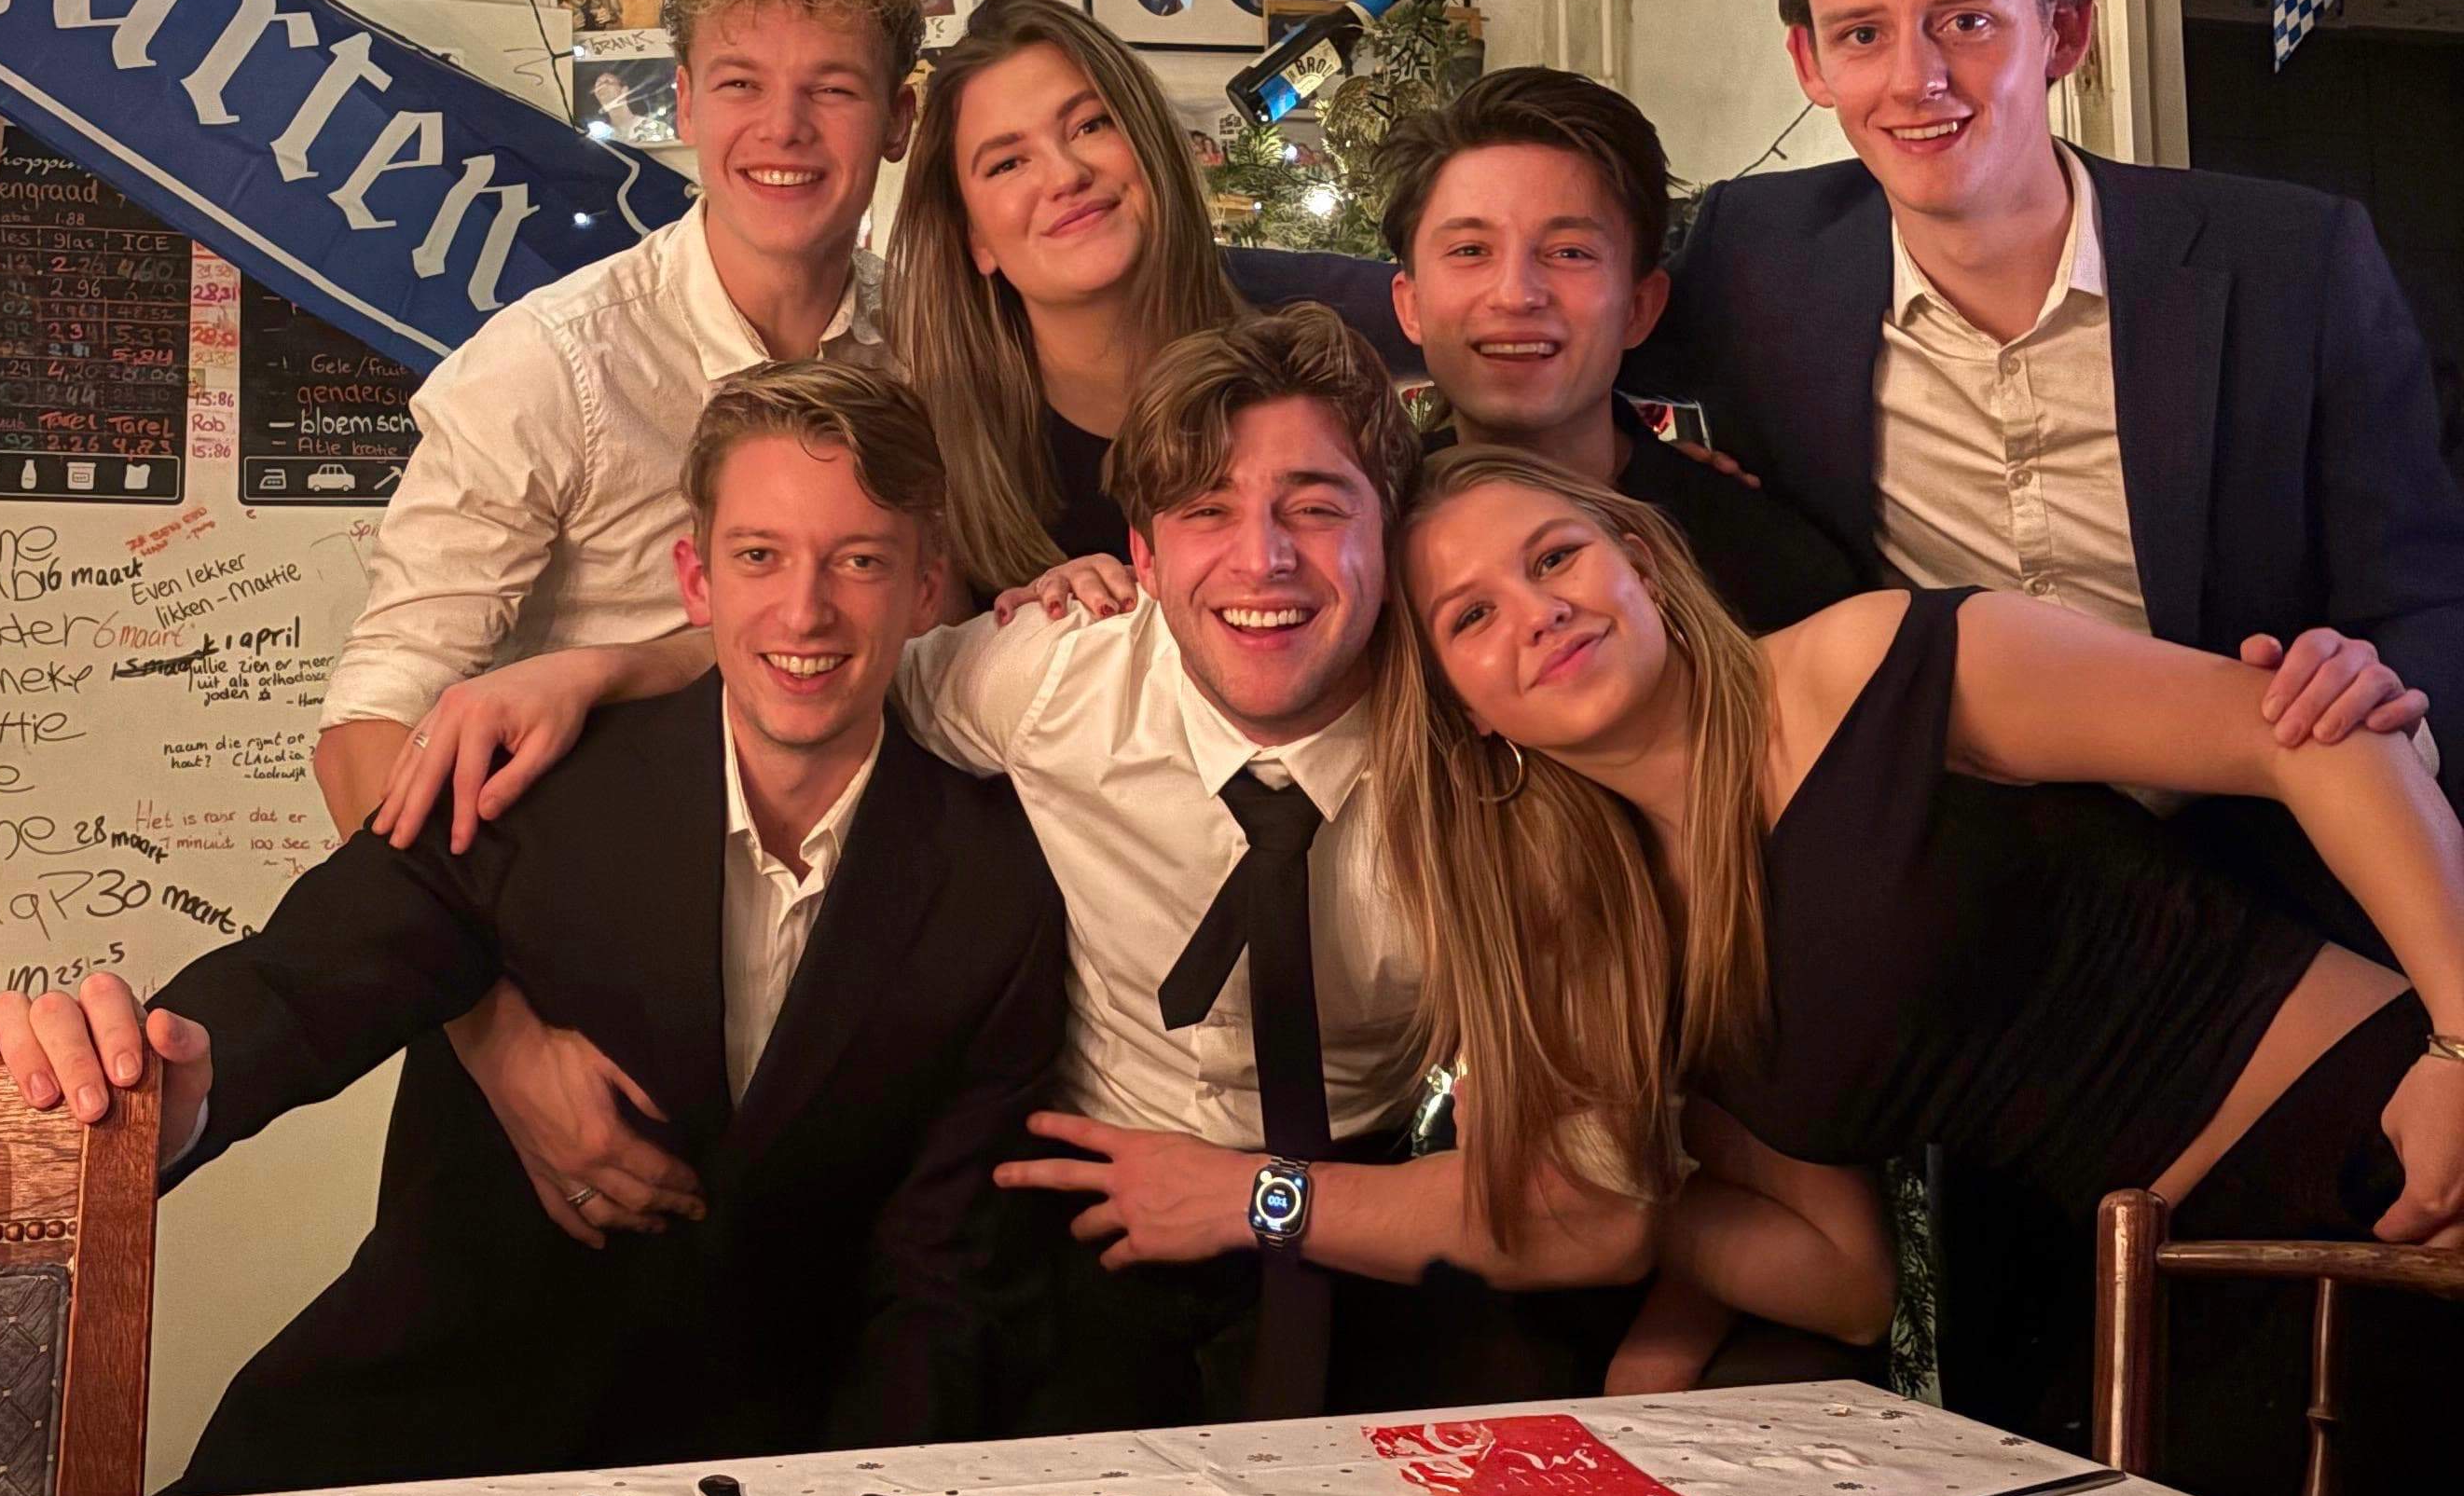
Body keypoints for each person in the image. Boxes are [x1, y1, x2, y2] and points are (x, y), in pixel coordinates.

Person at [381, 309, 1849, 1430]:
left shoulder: (1500, 768)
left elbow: (1595, 1207)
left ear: (1389, 534)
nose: (1262, 561)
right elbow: (823, 652)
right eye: (1206, 514)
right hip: (1077, 1198)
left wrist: (1259, 1197)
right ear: (1140, 555)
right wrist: (597, 668)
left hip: (1375, 1208)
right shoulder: (1051, 681)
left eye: (1315, 506)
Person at [0, 367, 1063, 1485]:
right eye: (760, 557)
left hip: (770, 1489)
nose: (805, 610)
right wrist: (171, 1086)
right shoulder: (525, 790)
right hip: (416, 1450)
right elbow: (303, 981)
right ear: (697, 579)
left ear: (928, 588)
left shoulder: (997, 882)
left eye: (859, 561)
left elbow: (944, 1283)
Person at [1383, 448, 2464, 1496]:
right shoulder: (1640, 944)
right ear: (1461, 707)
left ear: (1643, 564)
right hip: (2165, 1303)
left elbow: (2316, 736)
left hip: (2380, 1149)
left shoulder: (1867, 667)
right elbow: (1845, 1279)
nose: (1539, 613)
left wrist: (2461, 1046)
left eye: (1555, 557)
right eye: (1472, 617)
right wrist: (1627, 1202)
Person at [322, 0, 925, 1242]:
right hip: (561, 1012)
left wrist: (617, 666)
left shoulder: (938, 352)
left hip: (847, 1021)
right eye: (742, 85)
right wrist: (502, 1049)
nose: (784, 130)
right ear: (684, 104)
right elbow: (367, 732)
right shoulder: (549, 366)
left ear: (897, 119)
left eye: (833, 90)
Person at [1653, 0, 2464, 771]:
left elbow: (2426, 597)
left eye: (1967, 22)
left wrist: (2382, 689)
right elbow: (1559, 366)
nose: (1915, 80)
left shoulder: (2294, 263)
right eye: (1862, 34)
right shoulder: (1755, 252)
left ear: (2064, 31)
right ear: (1811, 64)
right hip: (1945, 827)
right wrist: (1656, 480)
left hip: (2255, 802)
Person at [881, 0, 1413, 595]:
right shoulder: (937, 442)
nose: (1065, 175)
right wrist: (1029, 628)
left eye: (1091, 125)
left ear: (1148, 140)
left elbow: (1474, 312)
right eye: (1008, 163)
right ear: (974, 237)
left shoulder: (1301, 310)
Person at [1382, 69, 1863, 634]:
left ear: (1639, 308)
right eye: (1469, 250)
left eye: (1569, 253)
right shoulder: (1360, 539)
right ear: (1410, 305)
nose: (1516, 294)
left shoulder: (1770, 571)